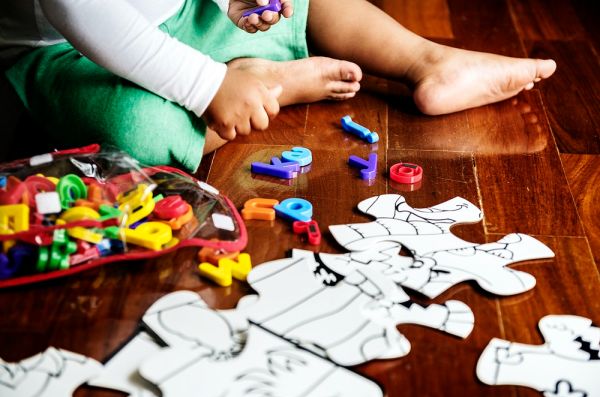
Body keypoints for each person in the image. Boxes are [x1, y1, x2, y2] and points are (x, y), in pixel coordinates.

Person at [0, 0, 556, 172]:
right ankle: (268, 84)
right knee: (135, 132)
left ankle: (429, 61)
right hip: (65, 53)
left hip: (175, 17)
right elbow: (81, 11)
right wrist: (204, 84)